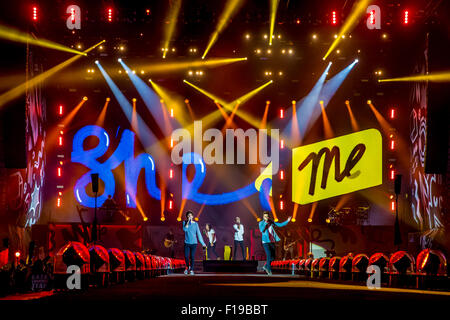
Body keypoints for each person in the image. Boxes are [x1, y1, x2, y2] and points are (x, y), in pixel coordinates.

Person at [259, 211, 291, 275]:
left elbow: (279, 225)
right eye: (265, 216)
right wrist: (265, 223)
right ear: (263, 217)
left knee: (273, 257)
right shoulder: (261, 223)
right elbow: (261, 230)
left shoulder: (271, 222)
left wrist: (287, 221)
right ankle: (269, 270)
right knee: (268, 255)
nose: (266, 217)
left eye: (267, 216)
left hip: (272, 241)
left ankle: (265, 266)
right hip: (265, 242)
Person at [182, 211, 206, 275]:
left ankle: (192, 270)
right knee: (186, 256)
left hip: (194, 243)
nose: (190, 216)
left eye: (191, 215)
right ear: (187, 217)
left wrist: (203, 243)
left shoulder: (195, 224)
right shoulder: (184, 222)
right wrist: (187, 223)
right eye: (188, 215)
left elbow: (199, 234)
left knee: (192, 256)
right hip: (187, 243)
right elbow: (185, 230)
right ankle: (187, 267)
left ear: (193, 216)